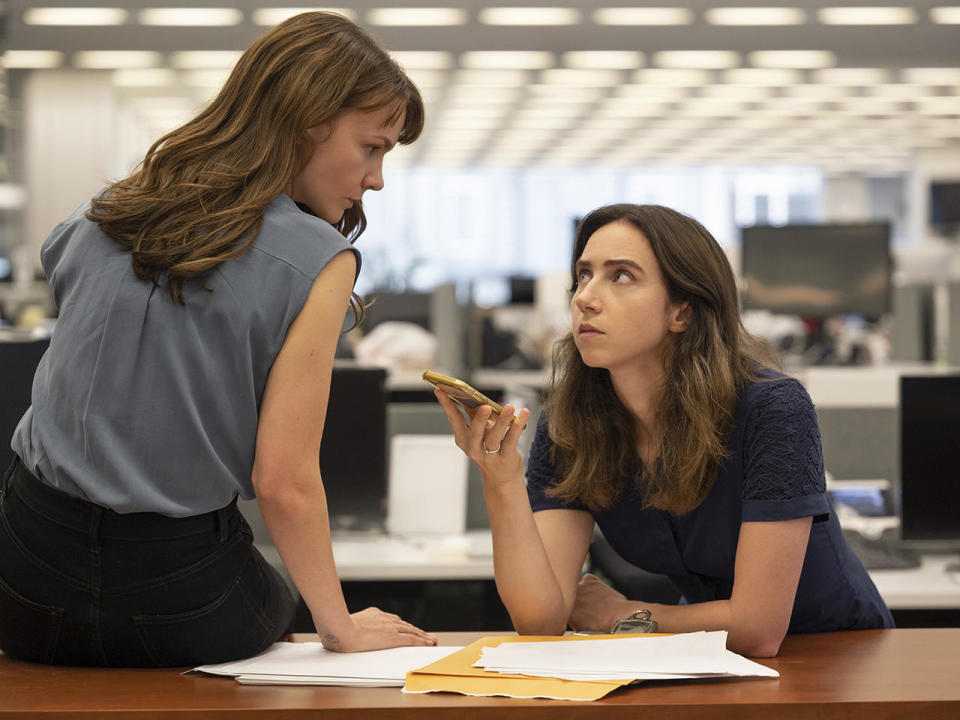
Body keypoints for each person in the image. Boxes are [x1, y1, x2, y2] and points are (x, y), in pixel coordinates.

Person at [0, 11, 437, 667]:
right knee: (270, 596)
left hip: (21, 579)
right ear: (307, 123)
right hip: (175, 595)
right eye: (372, 147)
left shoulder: (107, 210)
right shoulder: (319, 256)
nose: (375, 178)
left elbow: (70, 298)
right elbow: (283, 480)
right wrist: (338, 626)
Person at [434, 203, 893, 657]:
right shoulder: (574, 418)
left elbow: (757, 629)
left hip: (832, 653)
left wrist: (620, 615)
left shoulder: (771, 409)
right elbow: (540, 619)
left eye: (621, 276)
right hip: (701, 655)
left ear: (682, 312)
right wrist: (502, 479)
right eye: (584, 274)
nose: (585, 297)